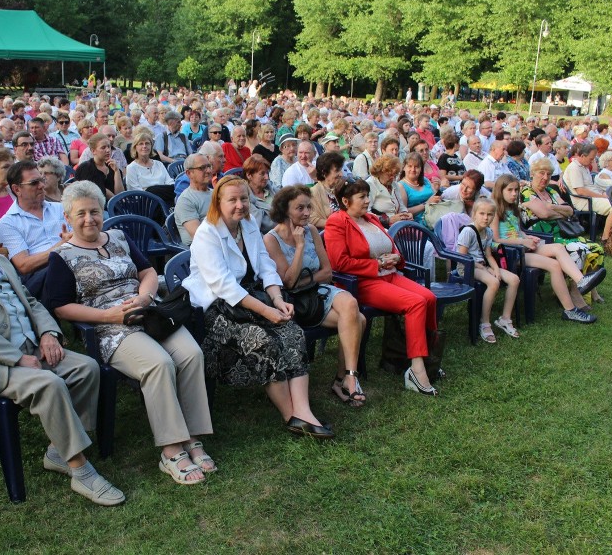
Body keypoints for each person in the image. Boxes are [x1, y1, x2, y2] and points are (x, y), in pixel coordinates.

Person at [0, 194, 123, 506]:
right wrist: (16, 357)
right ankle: (81, 471)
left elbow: (30, 302)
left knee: (86, 369)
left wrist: (47, 334)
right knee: (50, 384)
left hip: (29, 347)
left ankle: (60, 450)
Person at [46, 181, 215, 485]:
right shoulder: (62, 256)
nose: (89, 219)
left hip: (148, 314)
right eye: (81, 213)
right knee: (158, 363)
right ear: (68, 218)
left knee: (191, 354)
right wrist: (105, 315)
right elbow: (60, 307)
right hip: (109, 327)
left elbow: (148, 272)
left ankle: (192, 436)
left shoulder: (120, 237)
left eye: (94, 211)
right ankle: (171, 449)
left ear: (102, 211)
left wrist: (146, 296)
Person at [183, 175, 333, 438]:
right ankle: (292, 416)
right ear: (218, 202)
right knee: (263, 340)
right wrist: (266, 311)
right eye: (233, 200)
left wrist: (278, 300)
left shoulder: (249, 224)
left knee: (292, 332)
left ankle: (304, 411)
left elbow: (266, 267)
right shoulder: (207, 234)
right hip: (217, 308)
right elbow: (224, 287)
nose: (240, 205)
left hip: (251, 298)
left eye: (244, 198)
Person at [324, 178, 440, 396]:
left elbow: (390, 245)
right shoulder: (337, 222)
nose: (368, 200)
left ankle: (428, 357)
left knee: (429, 298)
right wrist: (376, 264)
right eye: (362, 197)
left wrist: (396, 257)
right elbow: (339, 263)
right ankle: (416, 370)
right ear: (346, 201)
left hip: (390, 274)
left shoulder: (370, 218)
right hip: (365, 282)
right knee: (415, 304)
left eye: (368, 196)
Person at [264, 185, 368, 406]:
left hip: (320, 292)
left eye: (308, 207)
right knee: (358, 319)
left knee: (350, 304)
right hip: (296, 303)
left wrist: (308, 279)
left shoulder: (311, 230)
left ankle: (347, 378)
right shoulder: (271, 239)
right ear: (284, 210)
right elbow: (289, 282)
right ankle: (342, 381)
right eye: (299, 208)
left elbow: (327, 271)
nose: (306, 212)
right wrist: (300, 247)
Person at [492, 175, 602, 323]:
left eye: (516, 190)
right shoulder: (494, 210)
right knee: (554, 265)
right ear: (500, 190)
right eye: (510, 190)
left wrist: (528, 237)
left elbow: (518, 230)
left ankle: (581, 281)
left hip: (522, 246)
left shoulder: (513, 208)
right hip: (510, 253)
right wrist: (522, 241)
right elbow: (496, 239)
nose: (514, 194)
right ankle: (570, 310)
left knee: (558, 247)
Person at [520, 158, 605, 303]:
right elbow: (543, 214)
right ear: (533, 173)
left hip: (562, 233)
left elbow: (570, 210)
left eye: (548, 174)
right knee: (578, 249)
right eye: (541, 173)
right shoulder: (527, 192)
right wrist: (555, 211)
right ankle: (574, 291)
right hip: (544, 237)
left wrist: (549, 207)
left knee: (596, 248)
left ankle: (590, 288)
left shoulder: (551, 191)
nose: (545, 177)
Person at [0, 160, 72, 298]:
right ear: (16, 189)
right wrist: (61, 247)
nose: (42, 186)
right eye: (34, 183)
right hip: (41, 276)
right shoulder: (8, 222)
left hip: (73, 262)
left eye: (41, 180)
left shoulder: (60, 208)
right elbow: (24, 265)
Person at [456, 198, 521, 343]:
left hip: (482, 265)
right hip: (467, 267)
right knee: (493, 282)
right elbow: (462, 257)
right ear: (474, 214)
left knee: (514, 279)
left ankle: (505, 318)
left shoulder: (488, 232)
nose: (486, 218)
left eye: (490, 214)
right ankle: (484, 323)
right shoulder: (468, 231)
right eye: (482, 213)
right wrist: (485, 269)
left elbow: (488, 255)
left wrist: (496, 268)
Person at [561, 143, 612, 243]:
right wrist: (602, 196)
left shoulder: (583, 166)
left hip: (592, 197)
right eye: (591, 159)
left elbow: (589, 186)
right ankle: (605, 237)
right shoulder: (574, 168)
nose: (592, 162)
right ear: (582, 156)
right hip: (584, 201)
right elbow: (580, 191)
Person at [175, 154, 213, 246]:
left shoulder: (215, 193)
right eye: (202, 168)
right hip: (199, 249)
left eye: (209, 166)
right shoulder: (186, 200)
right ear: (189, 173)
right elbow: (199, 235)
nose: (208, 170)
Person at [74, 133, 124, 202]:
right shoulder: (86, 168)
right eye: (103, 147)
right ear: (93, 151)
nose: (107, 150)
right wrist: (117, 203)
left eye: (109, 147)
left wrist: (116, 171)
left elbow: (121, 194)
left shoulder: (112, 166)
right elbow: (99, 190)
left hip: (116, 206)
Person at [366, 154, 413, 226]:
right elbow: (366, 212)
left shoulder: (394, 184)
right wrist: (388, 220)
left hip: (397, 224)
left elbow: (401, 206)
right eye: (390, 175)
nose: (393, 178)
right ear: (380, 171)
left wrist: (406, 214)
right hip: (380, 226)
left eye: (395, 175)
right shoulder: (370, 184)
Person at [396, 152, 440, 224]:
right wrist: (426, 204)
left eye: (416, 167)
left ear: (421, 169)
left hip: (435, 214)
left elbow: (433, 198)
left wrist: (437, 190)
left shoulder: (425, 180)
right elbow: (403, 212)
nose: (413, 170)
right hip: (418, 223)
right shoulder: (401, 186)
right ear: (404, 167)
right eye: (410, 166)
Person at [308, 151, 345, 230]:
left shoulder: (343, 187)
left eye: (341, 170)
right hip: (330, 232)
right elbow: (311, 219)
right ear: (324, 173)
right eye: (337, 170)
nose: (341, 174)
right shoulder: (314, 193)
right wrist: (338, 224)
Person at [242, 154, 278, 234]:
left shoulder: (273, 189)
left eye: (267, 173)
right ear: (249, 175)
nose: (266, 177)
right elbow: (255, 230)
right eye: (262, 174)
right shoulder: (245, 198)